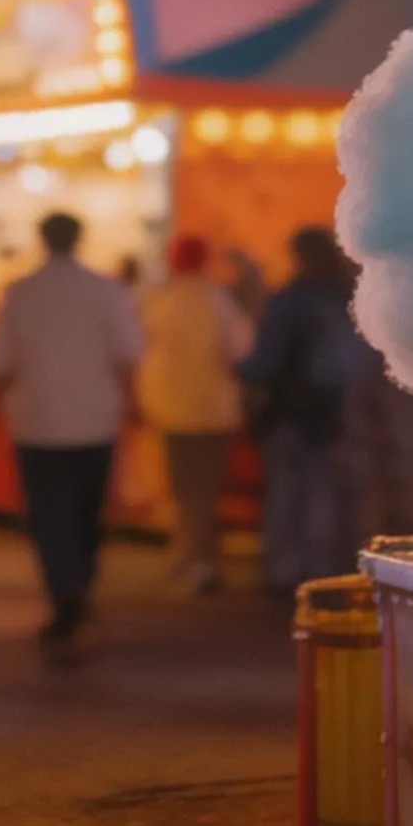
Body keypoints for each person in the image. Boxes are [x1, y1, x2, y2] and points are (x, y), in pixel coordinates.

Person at [0, 212, 143, 655]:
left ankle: (63, 590)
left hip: (36, 422)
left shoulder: (20, 293)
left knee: (48, 514)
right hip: (96, 420)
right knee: (88, 512)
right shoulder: (106, 290)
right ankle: (81, 585)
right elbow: (127, 355)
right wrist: (132, 404)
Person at [239, 226, 366, 595]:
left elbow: (265, 360)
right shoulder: (347, 297)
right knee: (329, 493)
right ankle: (326, 568)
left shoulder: (291, 300)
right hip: (340, 413)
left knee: (289, 494)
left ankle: (288, 573)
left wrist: (241, 373)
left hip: (293, 413)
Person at [136, 235, 253, 595]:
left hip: (171, 409)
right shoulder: (216, 300)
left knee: (184, 488)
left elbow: (137, 349)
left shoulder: (157, 300)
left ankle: (192, 557)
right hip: (213, 409)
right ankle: (198, 558)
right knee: (205, 488)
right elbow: (242, 347)